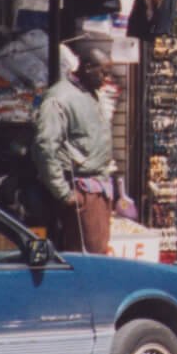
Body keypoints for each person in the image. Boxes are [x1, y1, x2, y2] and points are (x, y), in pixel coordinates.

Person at [34, 38, 115, 254]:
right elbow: (45, 145)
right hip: (80, 190)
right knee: (89, 258)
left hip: (97, 188)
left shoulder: (90, 94)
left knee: (96, 252)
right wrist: (63, 193)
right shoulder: (60, 98)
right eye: (103, 73)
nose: (106, 79)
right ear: (87, 68)